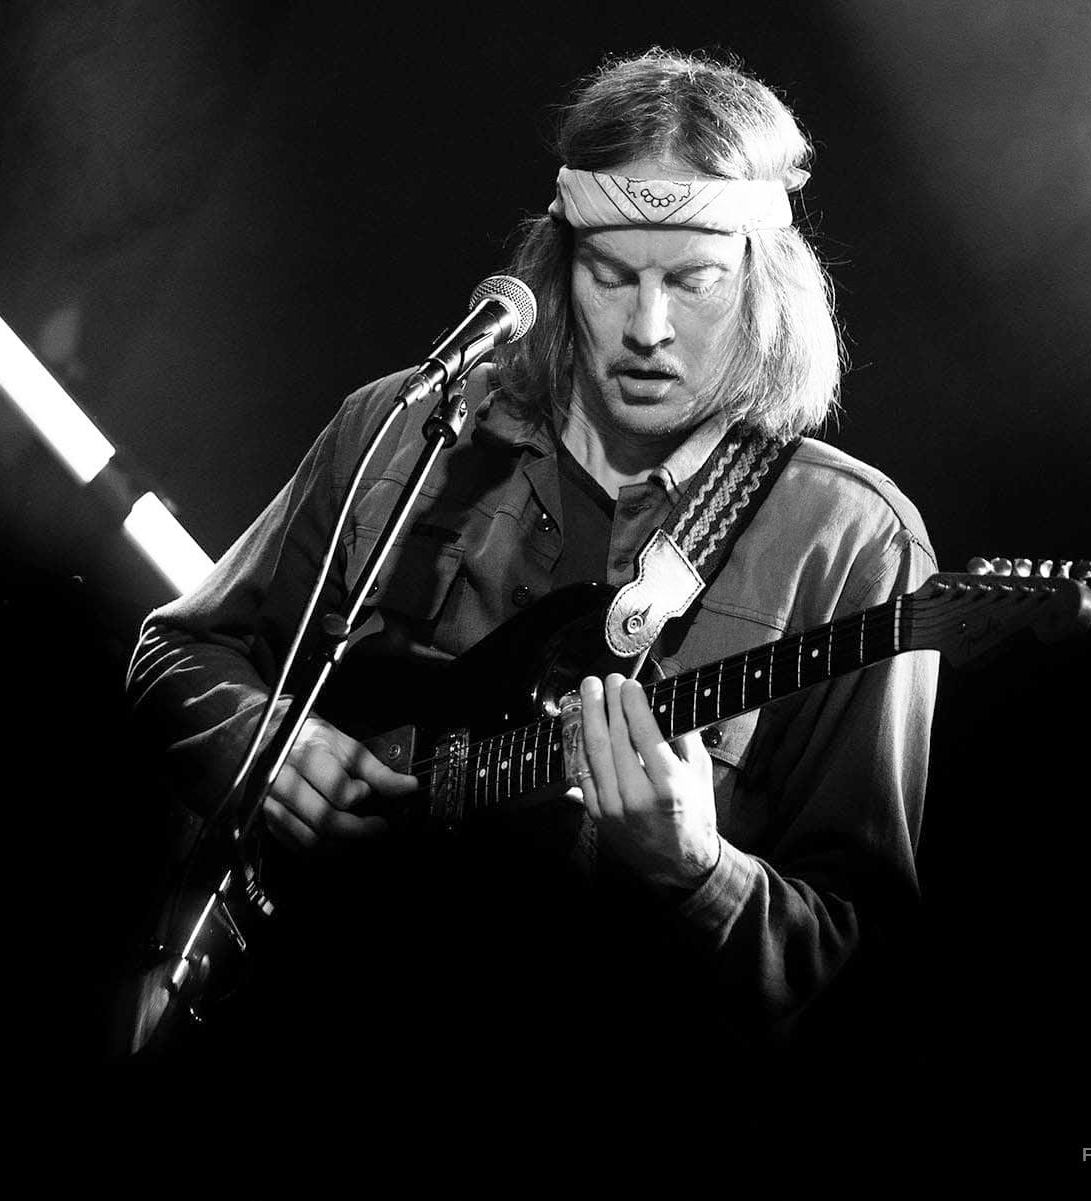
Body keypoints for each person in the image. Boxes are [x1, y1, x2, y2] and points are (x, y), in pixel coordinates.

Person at [124, 48, 936, 1085]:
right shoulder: (406, 429)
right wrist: (266, 750)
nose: (647, 329)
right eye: (612, 276)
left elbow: (865, 976)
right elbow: (175, 651)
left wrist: (699, 873)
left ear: (763, 283)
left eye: (693, 282)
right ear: (558, 268)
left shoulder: (851, 542)